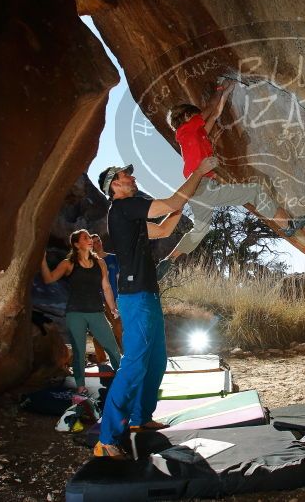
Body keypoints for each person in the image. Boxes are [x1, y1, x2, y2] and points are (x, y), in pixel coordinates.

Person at [93, 155, 218, 457]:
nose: (133, 179)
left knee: (157, 359)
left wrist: (185, 201)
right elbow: (167, 203)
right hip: (135, 297)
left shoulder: (130, 218)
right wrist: (198, 173)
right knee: (134, 363)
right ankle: (107, 438)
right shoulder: (123, 207)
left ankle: (140, 417)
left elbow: (162, 228)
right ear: (115, 185)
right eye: (127, 176)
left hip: (147, 294)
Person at [155, 80, 305, 280]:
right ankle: (287, 224)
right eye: (195, 115)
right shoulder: (186, 129)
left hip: (196, 191)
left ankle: (169, 260)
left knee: (200, 228)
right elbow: (210, 109)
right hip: (203, 187)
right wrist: (219, 88)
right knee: (254, 191)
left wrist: (227, 91)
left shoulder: (196, 133)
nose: (199, 118)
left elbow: (216, 113)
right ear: (186, 117)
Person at [40, 229, 121, 396]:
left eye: (90, 237)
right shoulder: (68, 263)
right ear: (77, 244)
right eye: (86, 238)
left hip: (96, 311)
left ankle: (123, 380)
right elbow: (49, 279)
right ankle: (80, 387)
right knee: (78, 351)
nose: (90, 239)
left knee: (112, 347)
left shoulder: (100, 263)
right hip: (75, 313)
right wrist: (42, 260)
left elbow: (106, 287)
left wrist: (112, 307)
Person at [89, 234, 122, 362]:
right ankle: (102, 359)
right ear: (91, 246)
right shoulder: (91, 262)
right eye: (95, 242)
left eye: (99, 241)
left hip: (115, 299)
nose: (98, 244)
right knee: (103, 329)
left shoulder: (113, 259)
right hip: (98, 301)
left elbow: (120, 278)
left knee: (118, 327)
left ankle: (124, 357)